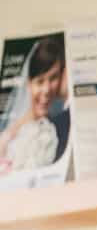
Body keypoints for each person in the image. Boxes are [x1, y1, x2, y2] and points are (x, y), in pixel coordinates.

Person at [0, 37, 70, 174]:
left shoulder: (57, 126)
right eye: (40, 81)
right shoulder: (9, 135)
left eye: (53, 78)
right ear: (28, 84)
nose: (46, 89)